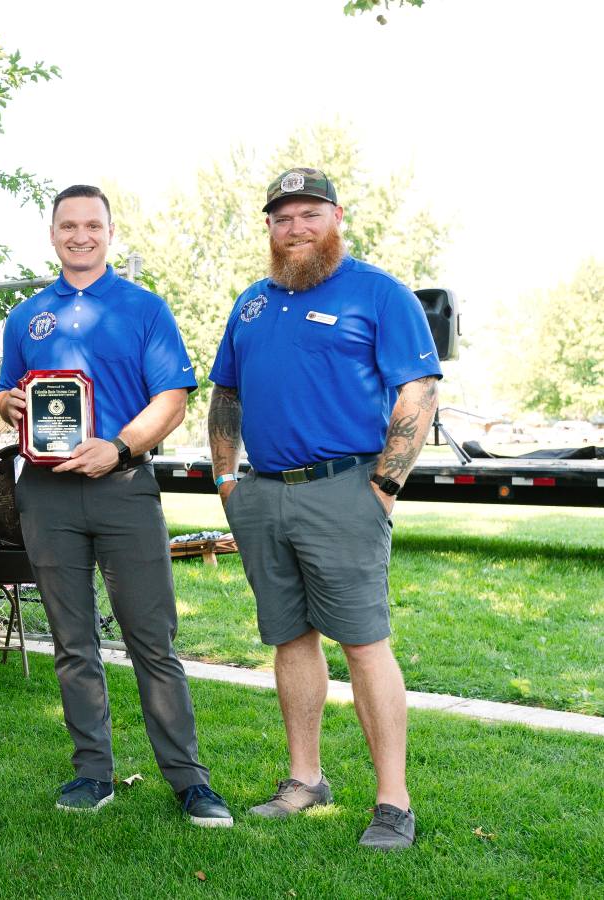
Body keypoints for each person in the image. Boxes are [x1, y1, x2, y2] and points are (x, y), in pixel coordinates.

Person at [207, 167, 441, 851]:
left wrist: (384, 485)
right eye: (283, 218)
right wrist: (227, 481)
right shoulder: (251, 303)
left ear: (337, 218)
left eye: (310, 214)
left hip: (345, 488)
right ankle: (305, 779)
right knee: (289, 638)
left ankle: (392, 802)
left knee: (364, 643)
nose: (296, 228)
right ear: (271, 229)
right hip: (264, 492)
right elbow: (226, 394)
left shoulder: (379, 292)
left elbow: (418, 391)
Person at [0, 185, 232, 825]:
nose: (80, 235)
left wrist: (120, 449)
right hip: (46, 495)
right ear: (52, 234)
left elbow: (172, 401)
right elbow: (9, 393)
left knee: (152, 640)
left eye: (92, 225)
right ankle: (91, 774)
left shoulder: (143, 308)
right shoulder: (27, 317)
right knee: (72, 643)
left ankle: (189, 780)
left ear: (108, 232)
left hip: (123, 488)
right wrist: (6, 404)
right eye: (67, 225)